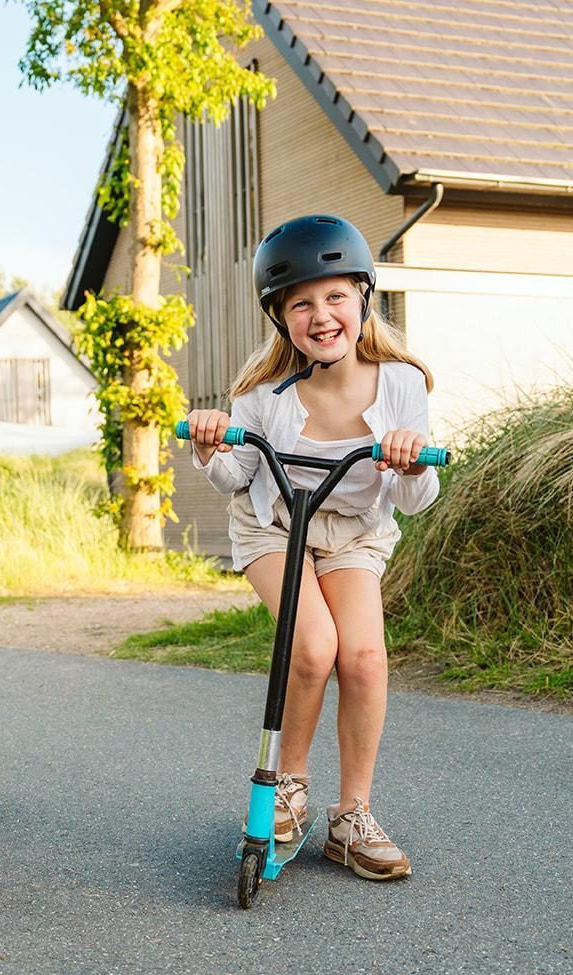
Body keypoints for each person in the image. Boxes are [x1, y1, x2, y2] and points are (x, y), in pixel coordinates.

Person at [183, 214, 439, 881]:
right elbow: (236, 477)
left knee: (364, 657)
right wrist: (210, 444)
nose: (321, 316)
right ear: (279, 317)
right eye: (300, 304)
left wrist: (413, 462)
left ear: (364, 298)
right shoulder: (261, 394)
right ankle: (288, 787)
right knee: (314, 645)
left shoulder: (401, 384)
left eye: (335, 296)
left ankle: (352, 816)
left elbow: (415, 500)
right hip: (273, 526)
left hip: (355, 532)